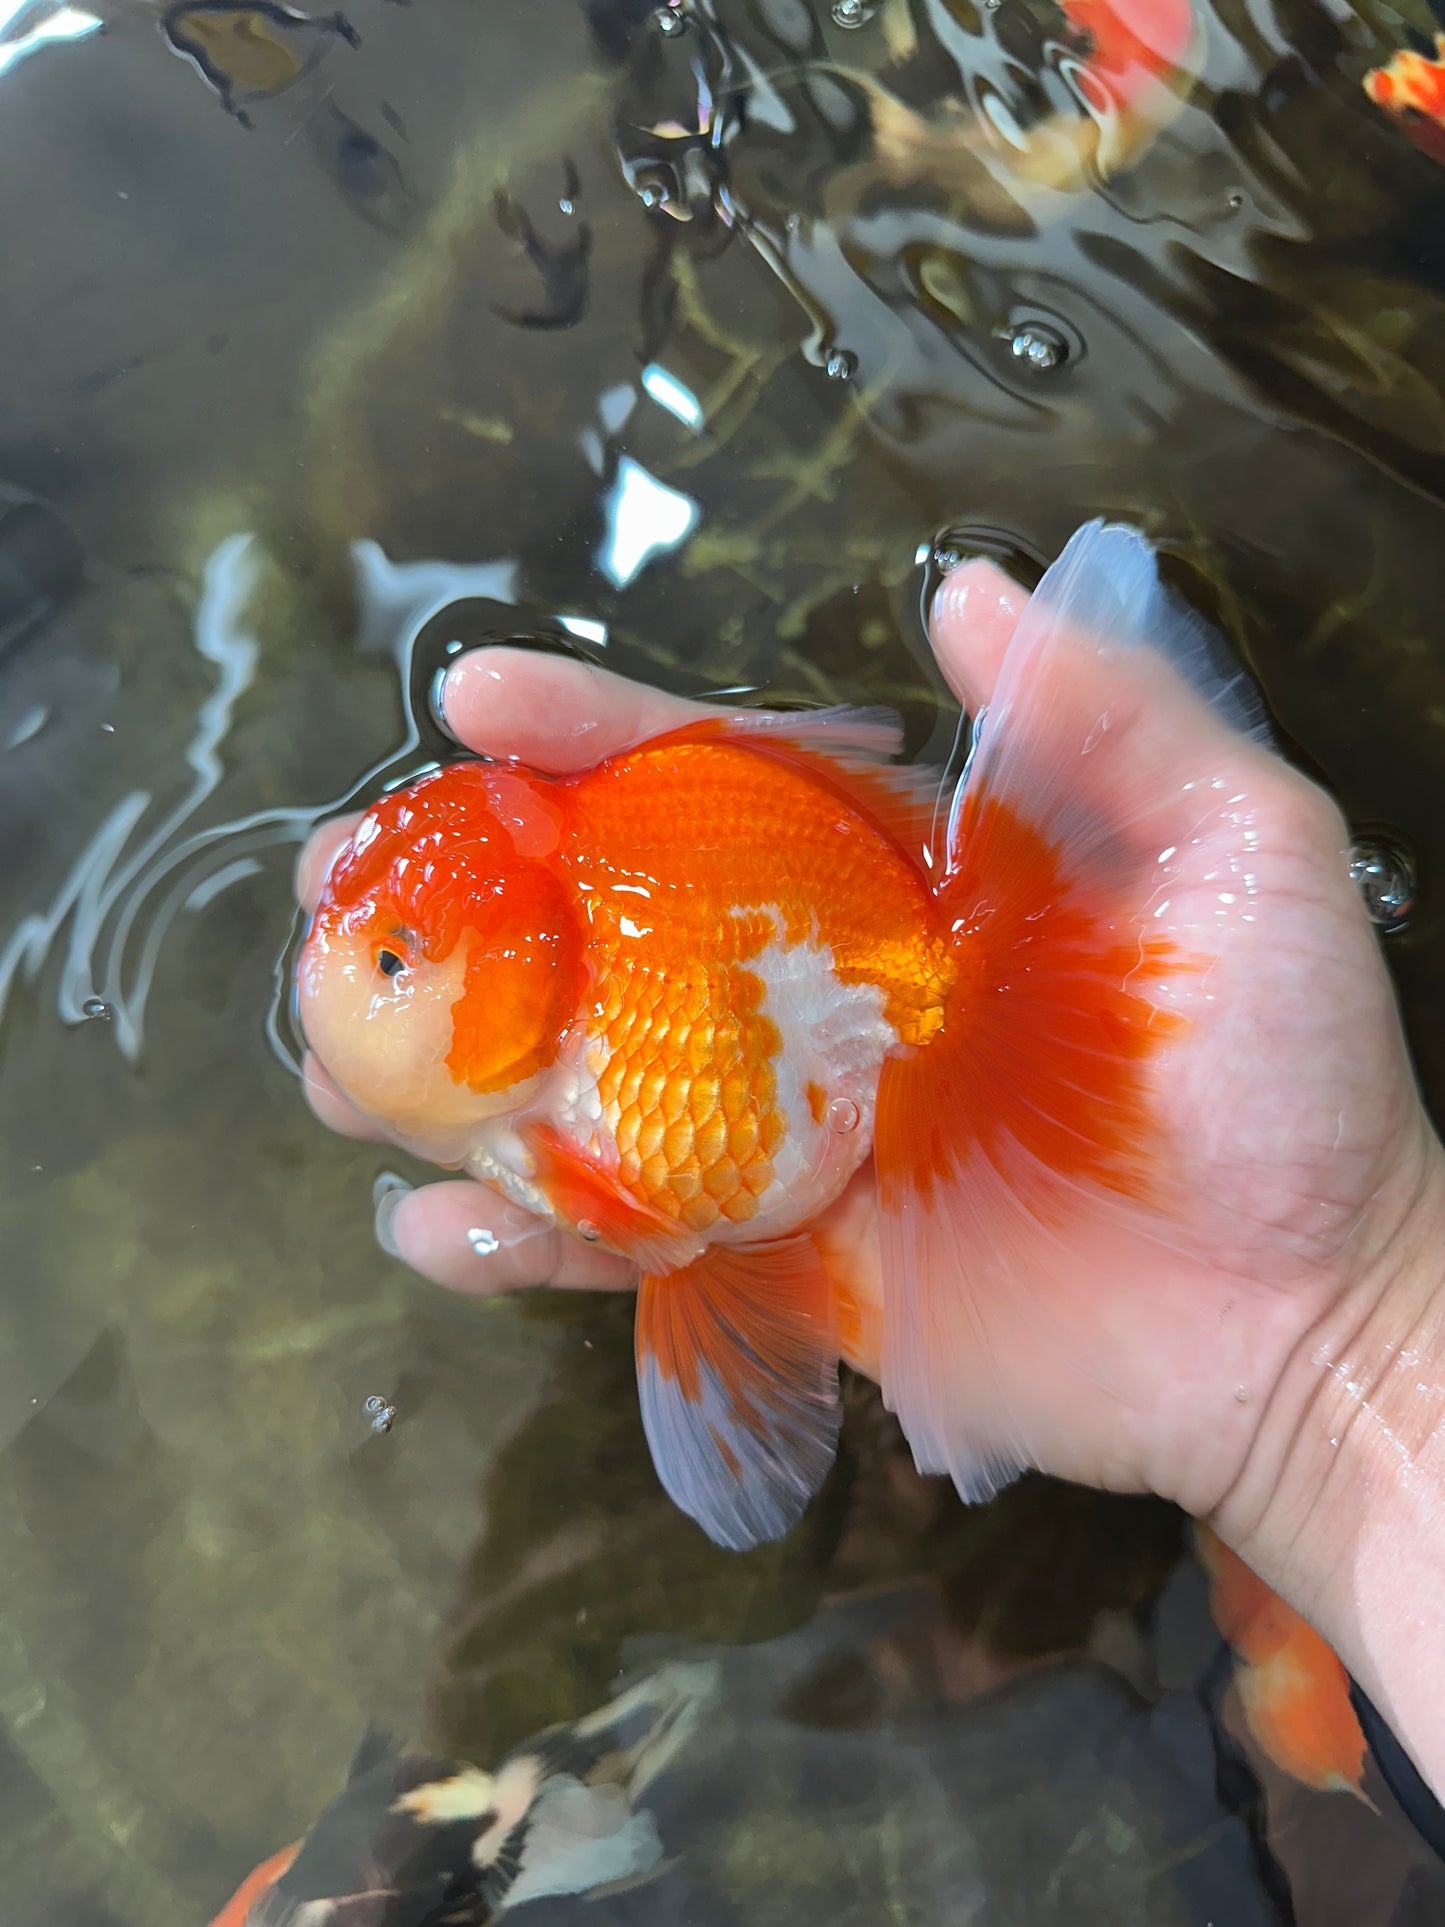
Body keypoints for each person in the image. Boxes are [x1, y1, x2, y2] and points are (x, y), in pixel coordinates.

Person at [295, 552, 1445, 1807]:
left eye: (400, 956)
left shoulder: (575, 1077)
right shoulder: (524, 1083)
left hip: (860, 975)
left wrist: (1350, 1325)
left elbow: (666, 1230)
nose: (350, 980)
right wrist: (1350, 1346)